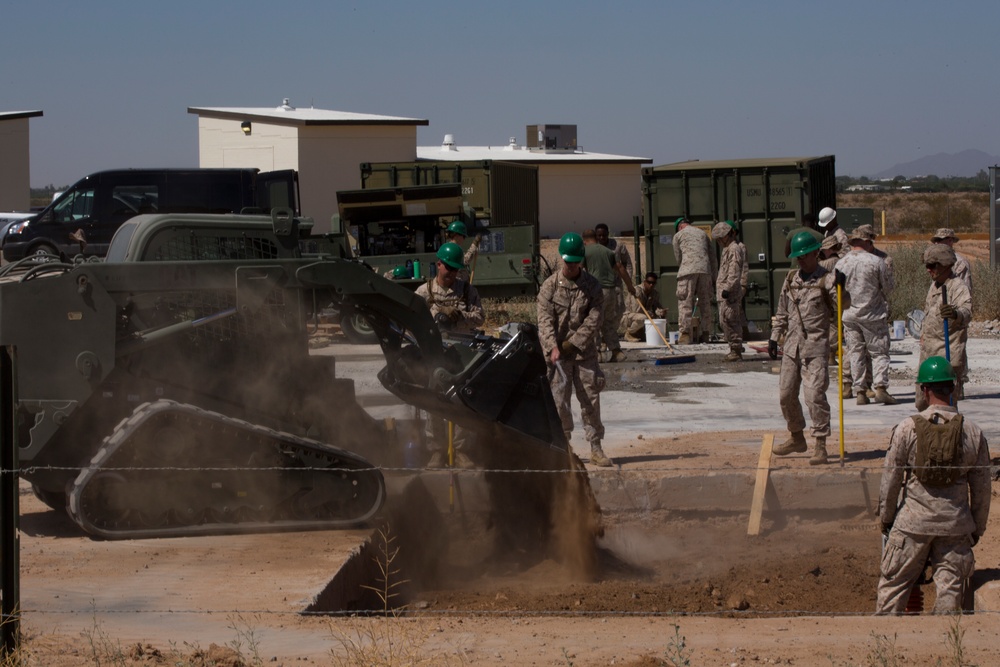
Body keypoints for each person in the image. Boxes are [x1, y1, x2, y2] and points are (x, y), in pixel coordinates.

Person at [875, 356, 990, 614]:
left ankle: (883, 647)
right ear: (953, 388)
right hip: (955, 525)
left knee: (892, 590)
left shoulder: (907, 429)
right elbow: (982, 490)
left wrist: (887, 518)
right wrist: (975, 528)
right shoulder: (973, 432)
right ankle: (944, 649)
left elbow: (891, 480)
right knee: (950, 598)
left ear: (924, 390)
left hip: (912, 525)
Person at [768, 230, 847, 465]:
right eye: (797, 257)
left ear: (816, 253)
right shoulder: (791, 278)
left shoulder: (828, 279)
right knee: (786, 394)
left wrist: (843, 289)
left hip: (816, 347)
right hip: (791, 347)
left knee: (814, 396)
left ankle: (820, 443)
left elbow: (842, 308)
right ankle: (796, 437)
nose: (801, 260)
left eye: (804, 255)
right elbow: (782, 311)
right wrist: (774, 337)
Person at [537, 232, 613, 467]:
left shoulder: (592, 286)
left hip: (583, 355)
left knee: (590, 400)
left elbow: (595, 318)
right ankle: (565, 447)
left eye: (575, 262)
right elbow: (544, 320)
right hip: (558, 357)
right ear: (561, 258)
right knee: (560, 403)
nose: (571, 266)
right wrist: (552, 347)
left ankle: (596, 447)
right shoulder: (549, 286)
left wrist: (575, 343)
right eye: (568, 261)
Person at [415, 242, 486, 469]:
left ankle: (460, 450)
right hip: (435, 354)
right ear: (438, 264)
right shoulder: (423, 292)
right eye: (448, 268)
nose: (452, 273)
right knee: (434, 402)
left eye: (455, 270)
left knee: (462, 403)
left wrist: (459, 316)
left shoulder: (467, 291)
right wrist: (437, 312)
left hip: (462, 354)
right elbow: (412, 322)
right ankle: (436, 451)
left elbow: (480, 317)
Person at [837, 229, 895, 405]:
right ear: (867, 242)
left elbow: (836, 290)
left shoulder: (841, 263)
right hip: (873, 314)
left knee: (856, 353)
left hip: (849, 314)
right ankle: (880, 388)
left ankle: (860, 390)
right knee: (879, 352)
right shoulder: (876, 261)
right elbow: (889, 287)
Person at [916, 244, 972, 408]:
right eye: (927, 266)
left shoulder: (958, 287)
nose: (928, 270)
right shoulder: (934, 286)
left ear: (945, 265)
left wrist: (955, 314)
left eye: (932, 266)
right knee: (922, 403)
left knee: (945, 406)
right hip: (928, 355)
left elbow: (967, 312)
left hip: (947, 357)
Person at [582, 228, 635, 362]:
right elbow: (621, 269)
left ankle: (597, 352)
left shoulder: (585, 251)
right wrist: (630, 287)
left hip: (596, 290)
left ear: (584, 240)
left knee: (593, 322)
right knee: (608, 323)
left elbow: (579, 269)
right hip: (611, 291)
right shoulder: (607, 251)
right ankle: (616, 352)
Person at [930, 228, 971, 391]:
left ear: (951, 241)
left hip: (955, 313)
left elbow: (965, 290)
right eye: (936, 241)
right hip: (938, 313)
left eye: (943, 240)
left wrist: (957, 314)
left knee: (957, 352)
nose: (938, 243)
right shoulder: (934, 261)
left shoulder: (959, 263)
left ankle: (957, 385)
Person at [672, 217, 717, 344]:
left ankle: (685, 334)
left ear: (679, 227)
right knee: (705, 303)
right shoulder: (703, 233)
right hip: (705, 270)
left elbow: (678, 258)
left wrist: (685, 266)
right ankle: (706, 334)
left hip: (687, 270)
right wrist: (714, 277)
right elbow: (713, 257)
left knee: (685, 302)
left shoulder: (678, 235)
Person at [712, 222, 746, 361]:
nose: (719, 241)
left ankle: (736, 350)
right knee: (725, 320)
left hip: (729, 292)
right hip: (724, 291)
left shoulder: (734, 249)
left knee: (731, 320)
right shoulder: (727, 249)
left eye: (720, 238)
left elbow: (734, 271)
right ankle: (733, 348)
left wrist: (728, 288)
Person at [595, 223, 633, 337]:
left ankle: (611, 332)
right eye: (599, 235)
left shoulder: (618, 246)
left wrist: (628, 279)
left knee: (619, 309)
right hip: (599, 285)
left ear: (608, 234)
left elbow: (627, 263)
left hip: (615, 283)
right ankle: (602, 336)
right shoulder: (593, 247)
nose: (602, 238)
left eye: (604, 235)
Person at [622, 272, 667, 342]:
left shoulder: (654, 293)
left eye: (653, 283)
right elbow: (636, 310)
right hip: (628, 316)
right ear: (645, 282)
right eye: (649, 282)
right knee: (643, 318)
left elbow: (656, 307)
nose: (651, 285)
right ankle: (629, 333)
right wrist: (650, 314)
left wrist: (661, 312)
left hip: (642, 317)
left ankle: (637, 333)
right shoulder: (637, 291)